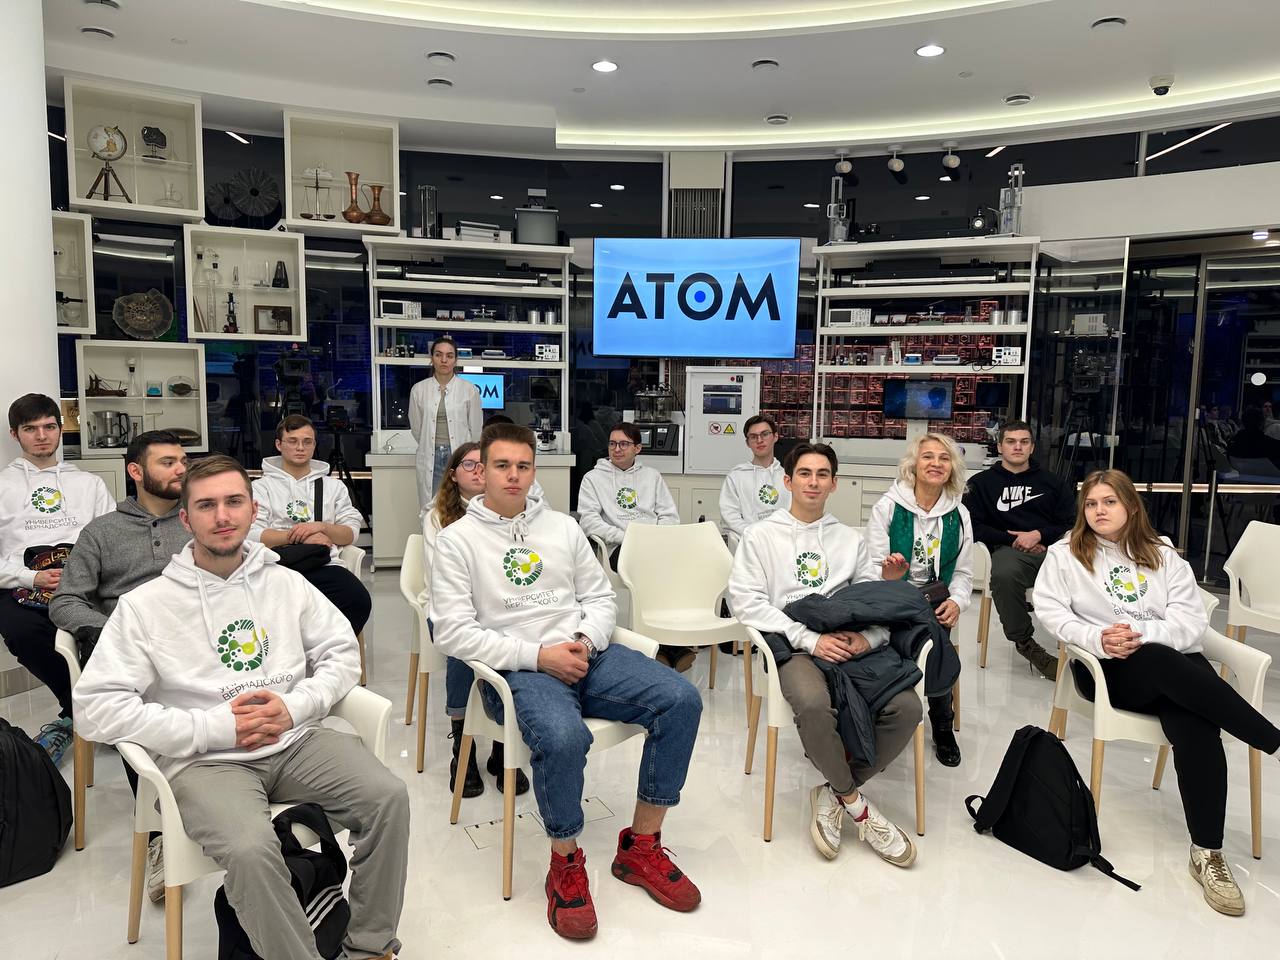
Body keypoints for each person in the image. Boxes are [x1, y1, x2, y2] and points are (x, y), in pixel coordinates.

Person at [73, 455, 409, 960]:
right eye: (206, 505)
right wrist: (214, 727)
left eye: (234, 502)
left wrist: (295, 707)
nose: (222, 516)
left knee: (389, 798)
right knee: (252, 851)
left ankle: (370, 947)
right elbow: (96, 708)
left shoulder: (286, 584)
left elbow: (341, 655)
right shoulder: (146, 605)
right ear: (185, 519)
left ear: (254, 511)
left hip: (295, 741)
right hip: (204, 761)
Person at [431, 423, 703, 941]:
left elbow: (600, 597)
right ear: (482, 470)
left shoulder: (562, 528)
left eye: (523, 466)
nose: (513, 476)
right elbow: (452, 632)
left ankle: (641, 846)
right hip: (517, 670)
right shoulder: (456, 541)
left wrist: (583, 641)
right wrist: (538, 656)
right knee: (561, 737)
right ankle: (565, 861)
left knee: (680, 699)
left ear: (535, 470)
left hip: (584, 654)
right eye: (502, 465)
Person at [1033, 469, 1280, 918]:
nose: (1099, 511)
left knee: (1195, 722)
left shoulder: (1164, 555)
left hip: (1171, 664)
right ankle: (1272, 741)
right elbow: (1053, 614)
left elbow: (1191, 624)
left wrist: (1139, 634)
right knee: (1168, 666)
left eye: (1109, 502)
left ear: (1131, 507)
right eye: (1091, 504)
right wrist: (1099, 638)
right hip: (1107, 669)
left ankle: (1207, 852)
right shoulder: (1065, 554)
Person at [727, 441, 920, 867]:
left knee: (907, 708)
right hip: (793, 642)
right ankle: (858, 807)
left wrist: (868, 638)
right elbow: (746, 602)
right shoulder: (760, 536)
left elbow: (870, 599)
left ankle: (833, 793)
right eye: (804, 474)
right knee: (814, 704)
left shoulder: (849, 538)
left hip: (846, 640)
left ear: (834, 484)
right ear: (787, 481)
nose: (813, 482)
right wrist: (808, 639)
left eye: (822, 475)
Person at [49, 430, 191, 903]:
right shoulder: (102, 532)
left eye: (183, 460)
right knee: (141, 708)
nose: (180, 469)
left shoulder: (197, 520)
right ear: (136, 471)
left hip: (196, 642)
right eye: (168, 462)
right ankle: (159, 834)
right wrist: (112, 629)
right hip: (131, 650)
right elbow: (65, 600)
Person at [0, 393, 115, 763]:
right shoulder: (3, 486)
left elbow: (111, 540)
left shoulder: (89, 484)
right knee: (21, 631)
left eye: (49, 426)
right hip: (23, 585)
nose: (41, 436)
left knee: (117, 624)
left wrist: (83, 575)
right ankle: (87, 713)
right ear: (15, 434)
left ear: (60, 429)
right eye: (30, 429)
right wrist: (30, 578)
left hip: (84, 583)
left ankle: (78, 717)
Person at [421, 441, 530, 799]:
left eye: (482, 464)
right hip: (451, 609)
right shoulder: (438, 517)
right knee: (463, 646)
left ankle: (503, 745)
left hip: (501, 607)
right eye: (468, 465)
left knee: (518, 636)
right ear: (453, 475)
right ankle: (462, 750)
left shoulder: (513, 514)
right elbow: (442, 581)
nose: (477, 471)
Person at [867, 432, 972, 767]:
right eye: (928, 456)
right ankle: (899, 716)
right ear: (913, 464)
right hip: (893, 599)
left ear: (952, 468)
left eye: (944, 458)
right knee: (924, 636)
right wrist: (889, 575)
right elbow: (871, 569)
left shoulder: (959, 514)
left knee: (935, 630)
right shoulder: (888, 507)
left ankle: (941, 725)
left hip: (936, 601)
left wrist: (957, 602)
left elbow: (963, 573)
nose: (936, 464)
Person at [962, 419, 1075, 679]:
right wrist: (1013, 540)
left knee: (1088, 569)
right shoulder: (980, 484)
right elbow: (971, 526)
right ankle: (1026, 643)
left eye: (1024, 442)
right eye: (1011, 442)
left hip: (1053, 551)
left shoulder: (1053, 483)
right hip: (1007, 551)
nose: (1017, 447)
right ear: (1000, 446)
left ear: (1032, 447)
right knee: (1004, 574)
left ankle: (1086, 643)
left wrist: (1038, 535)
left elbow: (1070, 522)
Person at [250, 415, 371, 637]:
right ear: (278, 444)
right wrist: (300, 537)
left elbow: (350, 533)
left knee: (358, 601)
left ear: (314, 445)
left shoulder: (333, 487)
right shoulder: (260, 488)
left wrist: (321, 527)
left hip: (324, 564)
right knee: (270, 614)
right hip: (277, 565)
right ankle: (293, 652)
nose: (300, 447)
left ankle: (330, 651)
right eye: (292, 441)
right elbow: (252, 534)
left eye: (307, 442)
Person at [577, 422, 684, 667]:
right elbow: (589, 522)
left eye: (624, 444)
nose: (617, 449)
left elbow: (669, 516)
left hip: (653, 544)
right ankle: (666, 646)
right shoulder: (593, 478)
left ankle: (672, 637)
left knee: (682, 564)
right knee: (658, 569)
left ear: (638, 448)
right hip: (618, 548)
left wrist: (653, 537)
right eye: (613, 444)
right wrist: (628, 537)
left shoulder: (652, 477)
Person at [408, 336, 483, 508]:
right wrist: (430, 444)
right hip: (431, 455)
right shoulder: (419, 390)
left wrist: (469, 456)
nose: (444, 360)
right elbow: (417, 428)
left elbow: (476, 428)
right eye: (438, 355)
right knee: (433, 506)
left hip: (460, 456)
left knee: (462, 505)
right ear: (432, 358)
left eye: (449, 356)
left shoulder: (469, 390)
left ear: (455, 360)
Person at [719, 414, 789, 546]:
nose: (759, 440)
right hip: (748, 542)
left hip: (782, 542)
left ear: (775, 437)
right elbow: (730, 517)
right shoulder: (736, 476)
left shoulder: (788, 477)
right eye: (753, 436)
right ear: (747, 443)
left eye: (765, 434)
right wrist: (755, 534)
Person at [1226, 406, 1280, 472]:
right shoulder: (1272, 445)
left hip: (1242, 476)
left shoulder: (1232, 444)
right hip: (1270, 477)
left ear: (1243, 423)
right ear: (1262, 423)